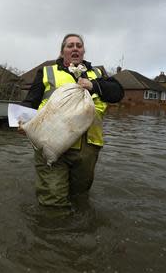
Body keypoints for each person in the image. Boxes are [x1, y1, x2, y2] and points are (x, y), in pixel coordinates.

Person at [20, 33, 124, 207]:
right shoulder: (47, 72)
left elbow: (118, 93)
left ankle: (77, 229)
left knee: (79, 196)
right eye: (70, 46)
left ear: (83, 51)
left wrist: (93, 85)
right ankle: (53, 229)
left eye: (79, 45)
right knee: (53, 198)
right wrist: (20, 121)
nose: (75, 48)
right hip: (51, 142)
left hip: (88, 147)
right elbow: (31, 101)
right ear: (62, 52)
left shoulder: (97, 73)